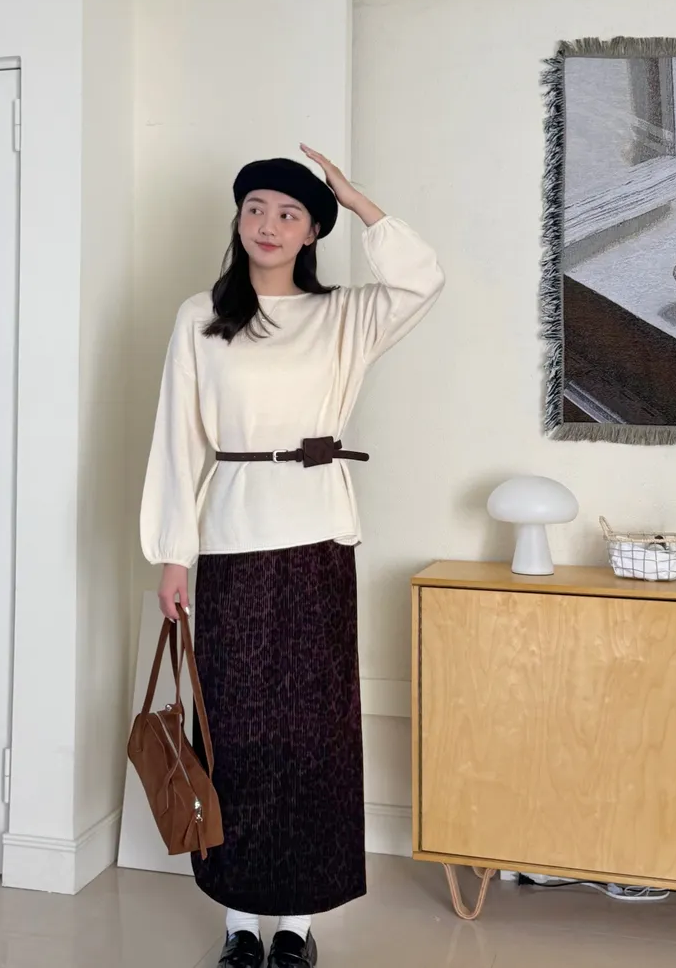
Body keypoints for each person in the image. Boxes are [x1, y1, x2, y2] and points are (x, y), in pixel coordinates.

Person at [140, 145, 444, 968]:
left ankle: (297, 928)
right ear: (237, 219)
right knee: (234, 734)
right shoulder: (199, 316)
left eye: (289, 213)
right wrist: (172, 554)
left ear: (313, 231)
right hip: (231, 543)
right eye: (255, 208)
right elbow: (176, 438)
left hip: (317, 544)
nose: (267, 225)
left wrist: (357, 197)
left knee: (311, 736)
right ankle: (240, 922)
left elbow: (423, 278)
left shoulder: (343, 314)